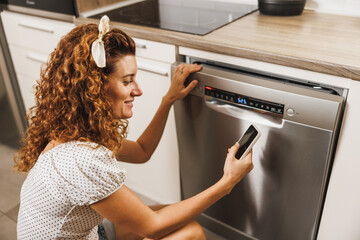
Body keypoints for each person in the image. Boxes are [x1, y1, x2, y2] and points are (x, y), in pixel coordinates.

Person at [14, 16, 254, 240]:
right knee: (191, 232)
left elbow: (141, 150)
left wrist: (168, 100)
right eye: (127, 81)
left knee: (172, 215)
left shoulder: (75, 129)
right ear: (95, 88)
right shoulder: (81, 159)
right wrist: (228, 182)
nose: (137, 90)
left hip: (87, 232)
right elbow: (152, 225)